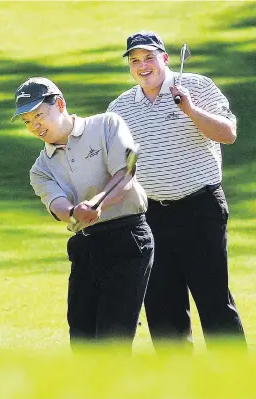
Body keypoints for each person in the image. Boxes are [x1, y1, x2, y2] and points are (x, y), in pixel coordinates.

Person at [107, 31, 246, 350]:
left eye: (149, 57)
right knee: (162, 308)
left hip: (200, 210)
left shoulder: (198, 87)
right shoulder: (121, 107)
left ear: (165, 58)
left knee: (214, 303)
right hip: (151, 216)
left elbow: (228, 134)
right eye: (134, 60)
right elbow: (119, 165)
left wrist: (191, 110)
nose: (142, 66)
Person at [11, 77, 154, 352]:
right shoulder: (40, 169)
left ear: (60, 104)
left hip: (128, 239)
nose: (35, 126)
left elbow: (124, 178)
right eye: (28, 121)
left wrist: (99, 206)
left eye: (39, 115)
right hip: (86, 245)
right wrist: (75, 211)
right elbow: (59, 206)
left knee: (112, 341)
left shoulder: (106, 125)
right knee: (83, 340)